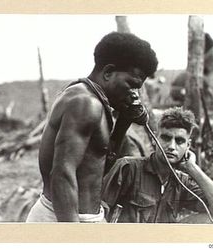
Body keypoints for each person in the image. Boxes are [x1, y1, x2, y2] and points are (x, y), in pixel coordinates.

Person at [25, 32, 158, 222]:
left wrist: (124, 121)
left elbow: (98, 160)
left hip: (78, 217)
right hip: (64, 219)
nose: (135, 94)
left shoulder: (91, 99)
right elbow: (62, 173)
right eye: (132, 84)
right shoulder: (86, 104)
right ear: (108, 72)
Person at [102, 107, 213, 223]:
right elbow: (99, 209)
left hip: (163, 240)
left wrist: (192, 168)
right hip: (129, 240)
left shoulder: (182, 183)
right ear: (155, 139)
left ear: (188, 146)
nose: (172, 147)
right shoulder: (128, 168)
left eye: (179, 141)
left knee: (211, 220)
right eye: (166, 138)